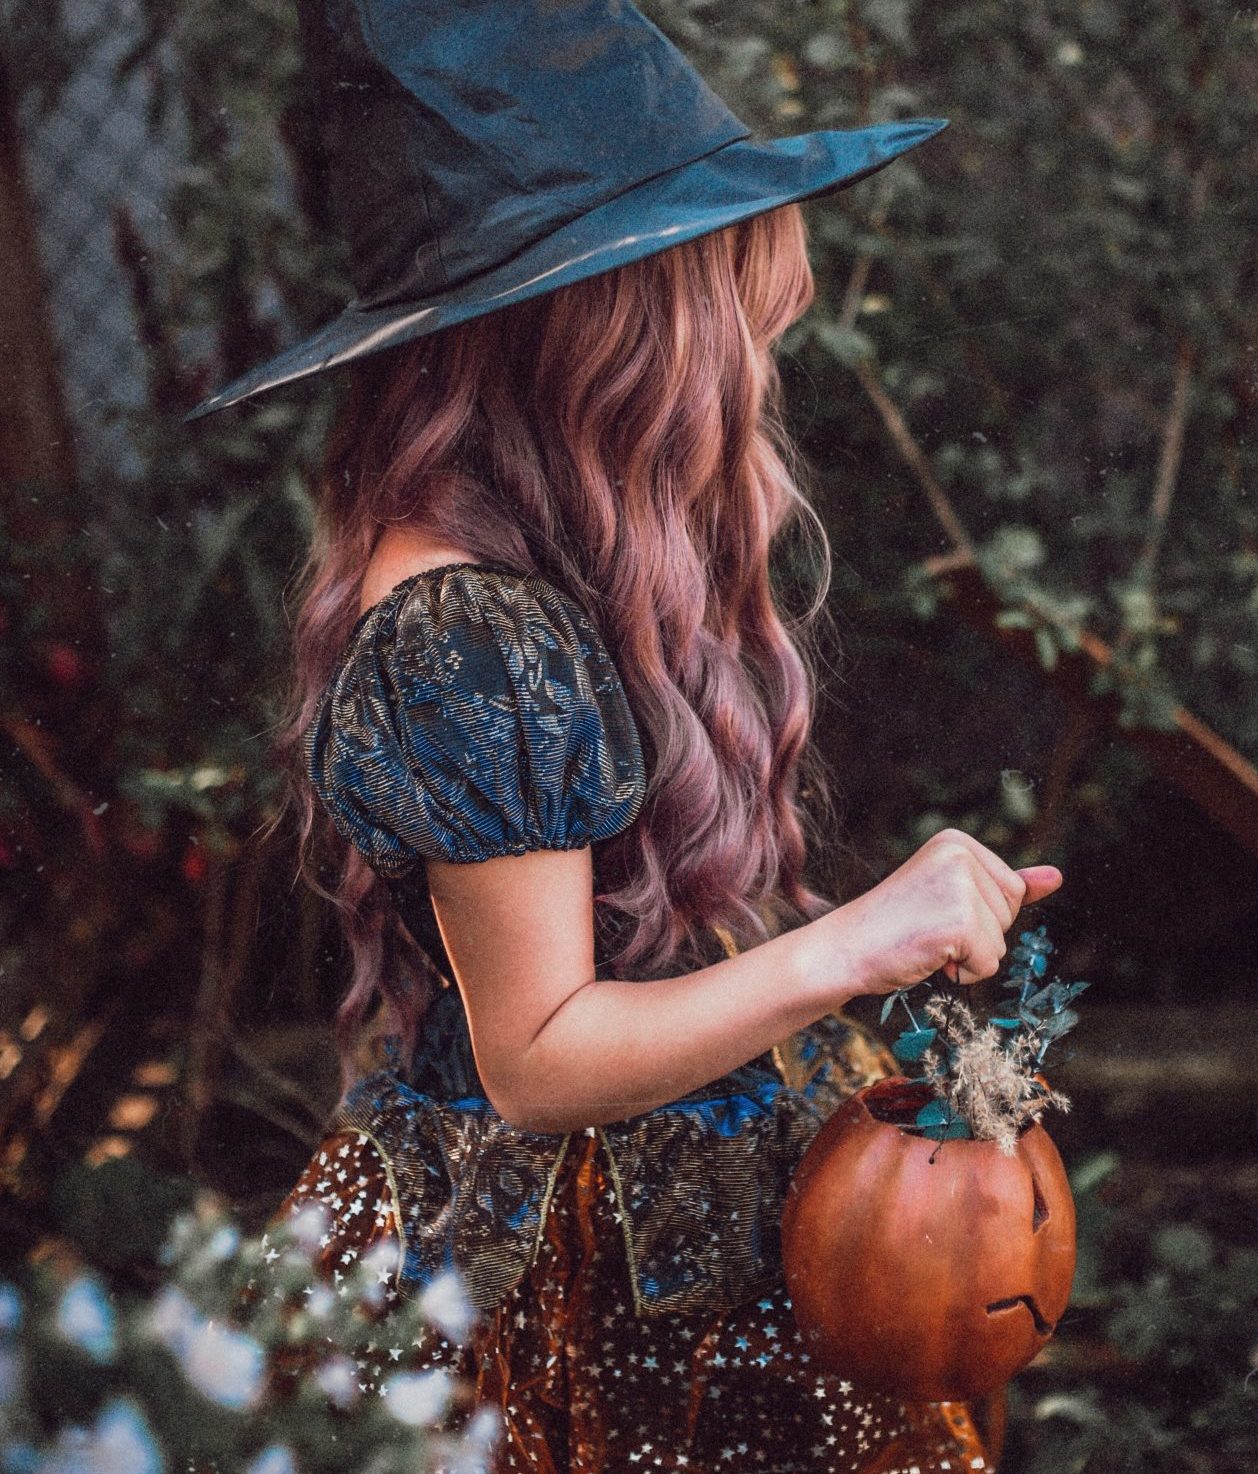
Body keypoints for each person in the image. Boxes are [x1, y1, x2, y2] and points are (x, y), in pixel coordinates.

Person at [190, 4, 1063, 1468]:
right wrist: (863, 939)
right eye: (736, 318)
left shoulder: (529, 572)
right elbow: (538, 1052)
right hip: (569, 1290)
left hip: (669, 1212)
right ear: (620, 323)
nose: (756, 371)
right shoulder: (464, 635)